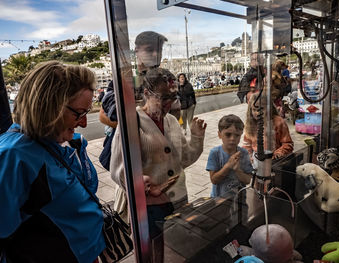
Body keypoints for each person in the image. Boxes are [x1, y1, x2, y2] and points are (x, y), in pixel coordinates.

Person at [0, 61, 105, 262]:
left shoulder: (64, 142)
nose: (83, 123)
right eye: (79, 113)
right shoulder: (13, 157)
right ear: (49, 107)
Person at [110, 67, 206, 262]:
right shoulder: (131, 123)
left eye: (173, 97)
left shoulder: (171, 121)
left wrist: (196, 137)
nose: (168, 104)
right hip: (150, 207)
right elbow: (118, 170)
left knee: (173, 247)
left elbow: (183, 160)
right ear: (146, 93)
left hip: (178, 199)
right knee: (150, 251)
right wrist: (141, 183)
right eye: (163, 98)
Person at [206, 114, 253, 198]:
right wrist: (228, 166)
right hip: (219, 201)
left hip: (240, 200)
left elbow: (247, 180)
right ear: (219, 134)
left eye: (237, 135)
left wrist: (238, 170)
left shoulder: (244, 153)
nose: (232, 138)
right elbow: (214, 180)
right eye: (228, 134)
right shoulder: (215, 153)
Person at [243, 93, 294, 167]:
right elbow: (247, 145)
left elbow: (288, 144)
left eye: (261, 109)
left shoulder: (279, 122)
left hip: (276, 161)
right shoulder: (250, 124)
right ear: (250, 110)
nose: (257, 113)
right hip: (256, 161)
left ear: (268, 108)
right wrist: (248, 157)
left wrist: (278, 153)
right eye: (254, 110)